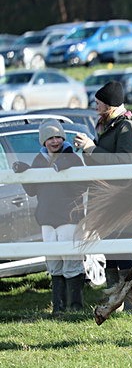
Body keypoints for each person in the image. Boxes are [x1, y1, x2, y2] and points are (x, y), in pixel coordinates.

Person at [73, 81, 132, 311]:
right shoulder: (110, 123)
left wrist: (91, 148)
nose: (95, 106)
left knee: (122, 253)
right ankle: (117, 302)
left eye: (98, 103)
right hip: (106, 198)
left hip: (121, 199)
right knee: (110, 252)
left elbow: (125, 162)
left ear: (109, 104)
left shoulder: (127, 127)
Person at [13, 120, 87, 314]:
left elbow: (81, 187)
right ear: (43, 141)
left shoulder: (72, 158)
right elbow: (32, 190)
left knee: (71, 261)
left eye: (58, 137)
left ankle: (76, 306)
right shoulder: (39, 159)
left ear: (63, 138)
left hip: (69, 217)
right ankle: (58, 307)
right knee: (54, 263)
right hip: (47, 219)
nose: (55, 141)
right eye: (50, 138)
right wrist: (24, 173)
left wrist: (65, 171)